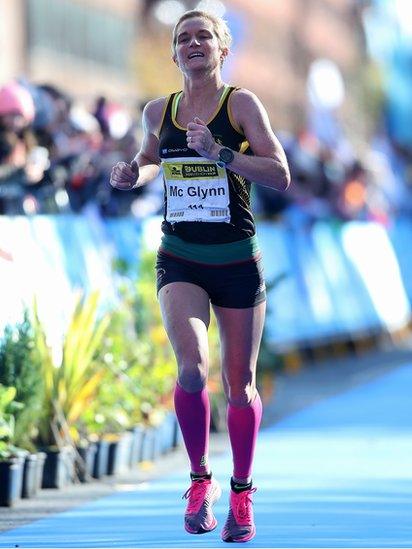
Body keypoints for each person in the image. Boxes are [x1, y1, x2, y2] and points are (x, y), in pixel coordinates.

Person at [110, 9, 290, 543]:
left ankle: (241, 491)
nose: (193, 44)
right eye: (182, 38)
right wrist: (132, 173)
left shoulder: (241, 104)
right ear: (173, 54)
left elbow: (279, 173)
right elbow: (148, 160)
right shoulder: (156, 110)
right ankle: (198, 480)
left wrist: (222, 153)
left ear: (222, 47)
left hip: (237, 261)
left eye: (203, 36)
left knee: (241, 385)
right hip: (181, 257)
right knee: (191, 368)